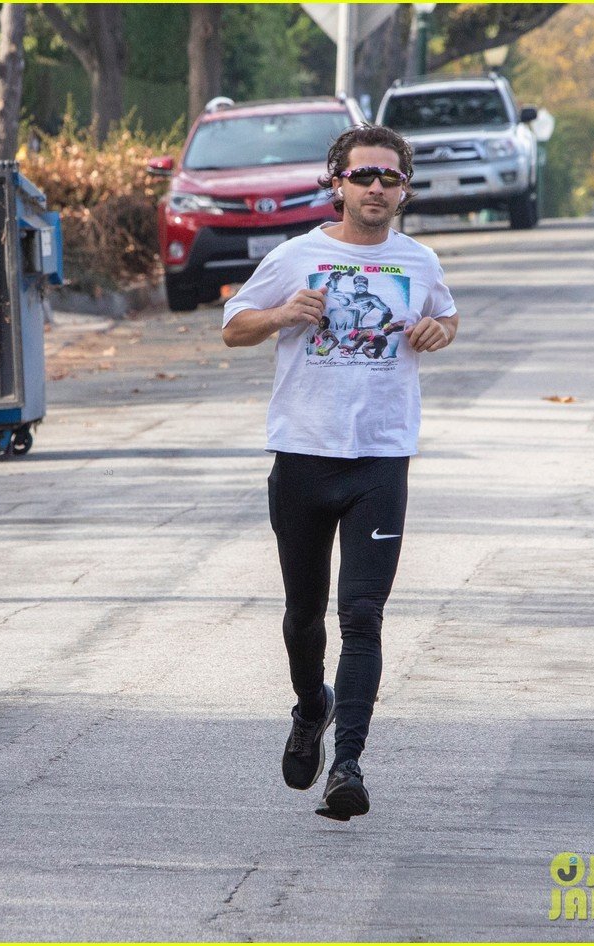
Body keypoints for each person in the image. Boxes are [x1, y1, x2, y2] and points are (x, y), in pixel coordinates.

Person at [222, 124, 458, 821]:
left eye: (390, 177)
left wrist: (437, 332)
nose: (377, 187)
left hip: (381, 458)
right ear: (337, 183)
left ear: (405, 189)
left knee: (362, 614)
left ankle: (348, 763)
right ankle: (309, 706)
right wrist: (280, 314)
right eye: (364, 176)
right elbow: (233, 326)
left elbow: (446, 319)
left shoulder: (418, 260)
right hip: (302, 454)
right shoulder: (298, 256)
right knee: (304, 617)